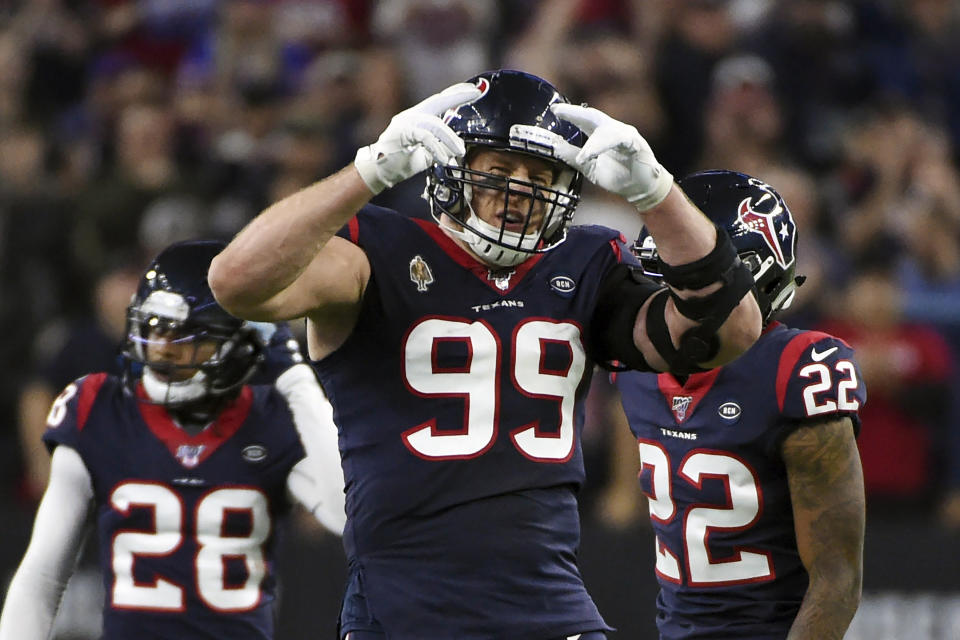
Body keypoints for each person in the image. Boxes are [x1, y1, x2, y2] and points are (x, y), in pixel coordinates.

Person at [208, 69, 762, 639]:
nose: (520, 190)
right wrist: (367, 171)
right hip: (404, 609)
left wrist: (658, 194)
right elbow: (236, 281)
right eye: (499, 171)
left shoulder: (585, 263)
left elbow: (734, 332)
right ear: (451, 169)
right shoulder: (377, 251)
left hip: (551, 606)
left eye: (540, 174)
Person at [0, 240, 346, 640]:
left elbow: (348, 514)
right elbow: (43, 574)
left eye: (185, 338)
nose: (162, 350)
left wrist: (296, 380)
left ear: (233, 342)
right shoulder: (98, 408)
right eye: (154, 330)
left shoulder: (272, 416)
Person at [616, 170, 866, 639]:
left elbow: (837, 581)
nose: (674, 294)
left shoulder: (797, 368)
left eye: (696, 278)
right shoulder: (635, 364)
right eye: (665, 271)